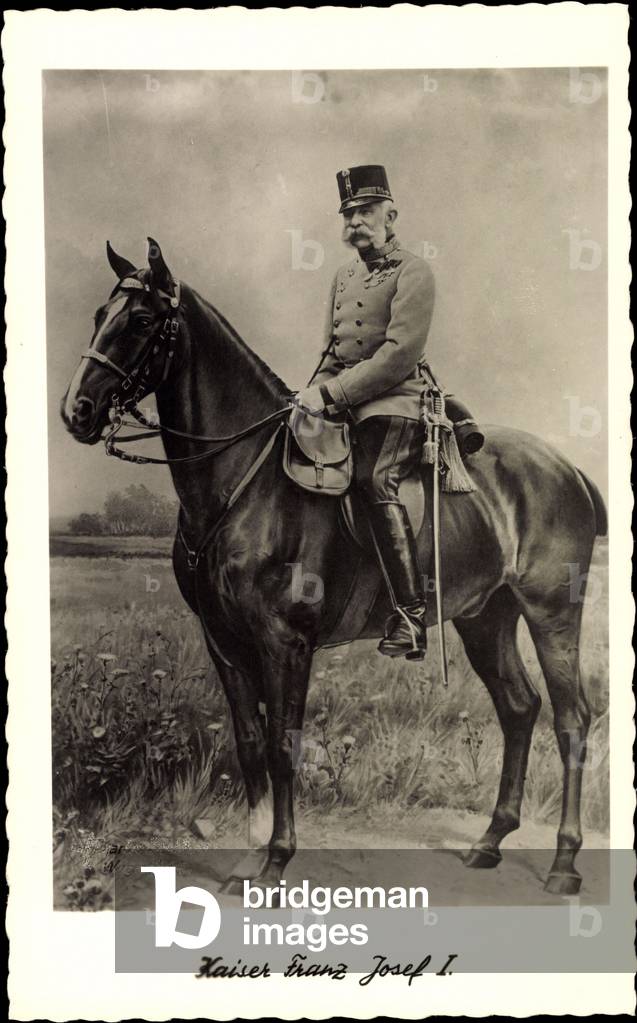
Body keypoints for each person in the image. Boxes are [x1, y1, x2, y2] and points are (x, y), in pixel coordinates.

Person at [295, 165, 479, 659]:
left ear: (390, 216)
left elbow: (399, 354)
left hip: (396, 401)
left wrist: (333, 395)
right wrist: (309, 396)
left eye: (366, 212)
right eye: (348, 214)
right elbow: (332, 353)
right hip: (346, 400)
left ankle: (410, 616)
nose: (356, 221)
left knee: (372, 479)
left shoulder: (414, 271)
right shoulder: (343, 276)